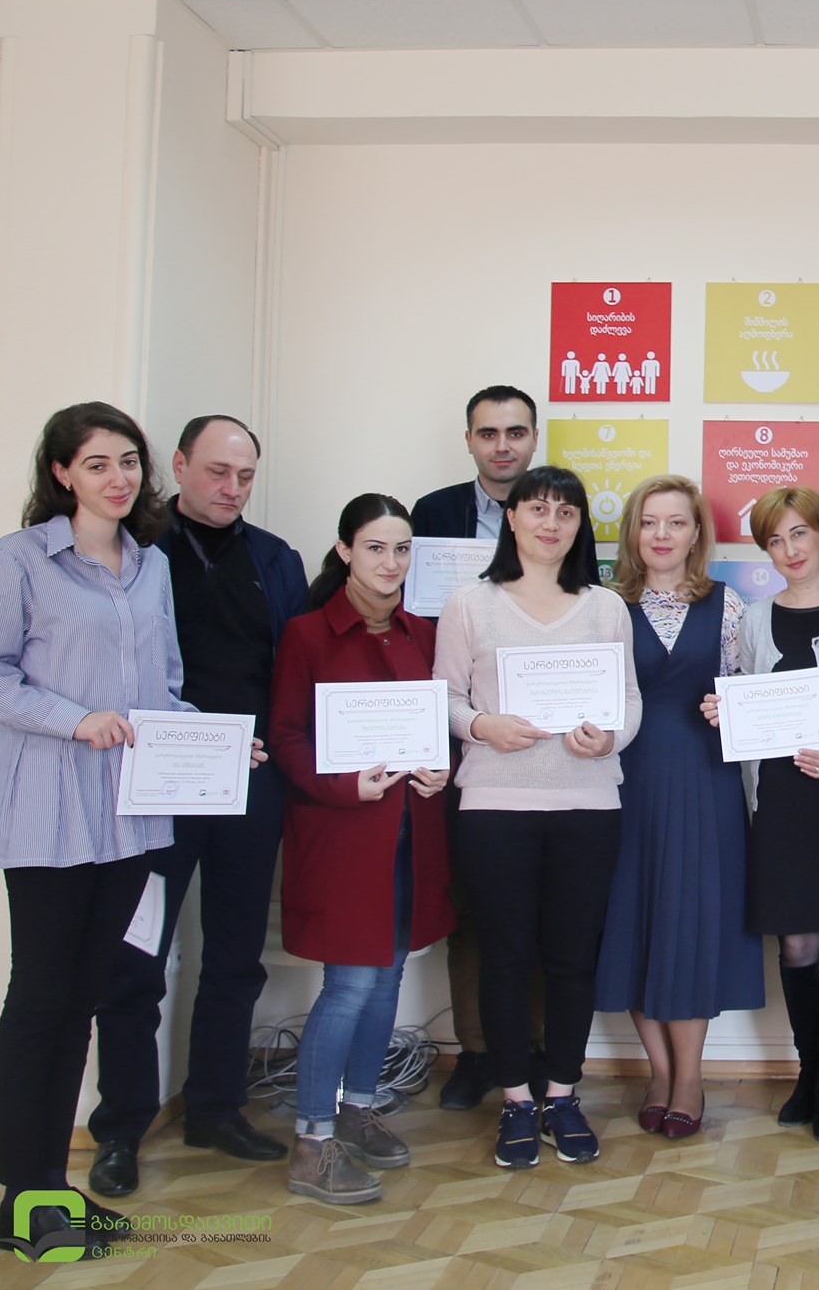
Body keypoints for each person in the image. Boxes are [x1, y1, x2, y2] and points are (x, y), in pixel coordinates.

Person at [0, 404, 188, 1253]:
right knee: (41, 999)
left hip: (129, 814)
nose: (119, 478)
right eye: (97, 464)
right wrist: (75, 718)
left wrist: (211, 740)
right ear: (62, 472)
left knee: (85, 999)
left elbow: (164, 687)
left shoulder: (152, 565)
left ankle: (49, 1191)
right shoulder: (20, 558)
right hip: (51, 809)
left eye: (128, 461)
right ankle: (23, 1201)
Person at [88, 415, 307, 1198]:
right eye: (217, 472)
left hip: (249, 780)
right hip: (154, 781)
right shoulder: (132, 550)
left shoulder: (275, 558)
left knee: (237, 954)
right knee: (135, 957)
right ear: (179, 465)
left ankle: (215, 1106)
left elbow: (293, 668)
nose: (232, 488)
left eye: (245, 476)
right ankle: (120, 1129)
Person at [434, 466, 642, 1169]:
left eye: (565, 512)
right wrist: (482, 724)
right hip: (495, 807)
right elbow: (444, 697)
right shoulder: (470, 603)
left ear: (580, 525)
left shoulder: (606, 607)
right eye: (537, 509)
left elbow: (629, 700)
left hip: (588, 805)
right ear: (513, 518)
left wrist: (611, 738)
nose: (551, 523)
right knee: (505, 957)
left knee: (572, 959)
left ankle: (562, 1093)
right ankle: (517, 1100)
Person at [268, 495, 454, 1204]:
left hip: (412, 835)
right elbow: (287, 738)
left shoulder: (423, 633)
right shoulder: (307, 633)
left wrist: (440, 768)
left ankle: (359, 1108)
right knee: (348, 985)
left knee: (388, 977)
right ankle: (312, 1142)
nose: (391, 562)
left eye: (402, 549)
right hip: (343, 835)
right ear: (345, 551)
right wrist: (345, 785)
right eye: (376, 547)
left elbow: (440, 725)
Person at [411, 385, 585, 1110]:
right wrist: (471, 722)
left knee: (547, 920)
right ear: (470, 440)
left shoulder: (566, 525)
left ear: (534, 438)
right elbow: (421, 623)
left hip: (557, 754)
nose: (503, 444)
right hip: (466, 744)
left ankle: (537, 1052)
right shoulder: (432, 513)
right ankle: (480, 1053)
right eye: (489, 433)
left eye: (516, 431)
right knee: (478, 916)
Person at [702, 486, 819, 1142]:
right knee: (798, 941)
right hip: (779, 797)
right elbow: (748, 702)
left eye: (800, 533)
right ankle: (810, 1069)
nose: (789, 550)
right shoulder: (753, 618)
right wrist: (725, 709)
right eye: (774, 540)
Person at [594, 475, 764, 1140]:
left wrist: (736, 707)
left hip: (703, 779)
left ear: (697, 534)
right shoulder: (605, 605)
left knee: (692, 921)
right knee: (633, 917)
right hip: (621, 779)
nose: (662, 534)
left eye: (676, 522)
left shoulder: (728, 605)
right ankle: (658, 1070)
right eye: (649, 522)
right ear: (632, 533)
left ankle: (688, 1077)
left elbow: (753, 694)